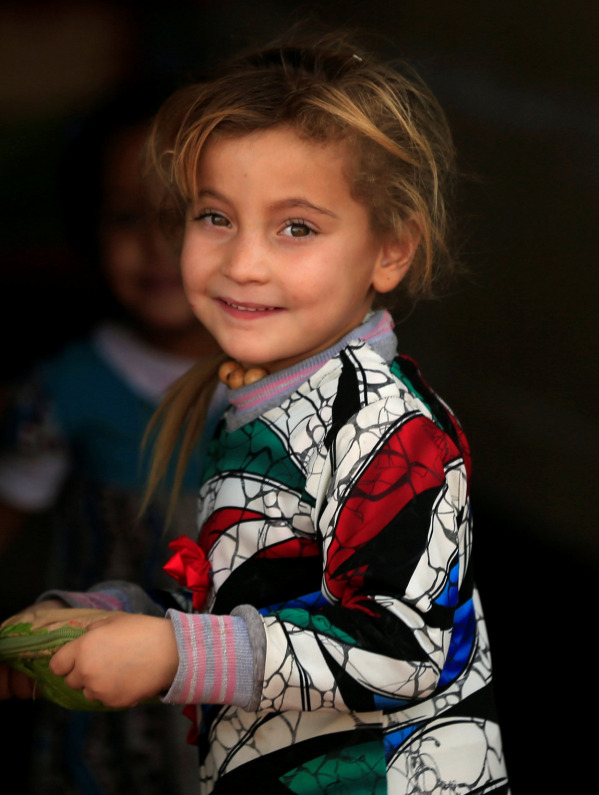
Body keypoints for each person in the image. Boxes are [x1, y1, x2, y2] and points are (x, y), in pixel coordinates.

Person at [0, 37, 509, 795]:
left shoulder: (392, 431)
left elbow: (402, 650)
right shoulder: (251, 404)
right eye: (214, 217)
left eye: (295, 227)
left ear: (390, 250)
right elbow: (252, 600)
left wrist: (175, 655)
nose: (243, 262)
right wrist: (118, 613)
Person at [0, 84, 222, 793]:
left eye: (184, 217)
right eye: (128, 217)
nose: (156, 245)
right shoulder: (66, 387)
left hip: (236, 671)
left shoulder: (282, 381)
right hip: (105, 681)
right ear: (87, 230)